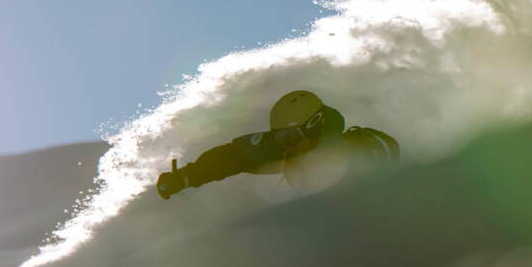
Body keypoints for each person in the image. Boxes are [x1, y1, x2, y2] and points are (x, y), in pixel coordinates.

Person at [155, 90, 400, 199]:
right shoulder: (284, 148)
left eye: (291, 138)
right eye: (281, 138)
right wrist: (188, 176)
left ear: (314, 127)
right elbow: (233, 156)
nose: (286, 147)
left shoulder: (362, 146)